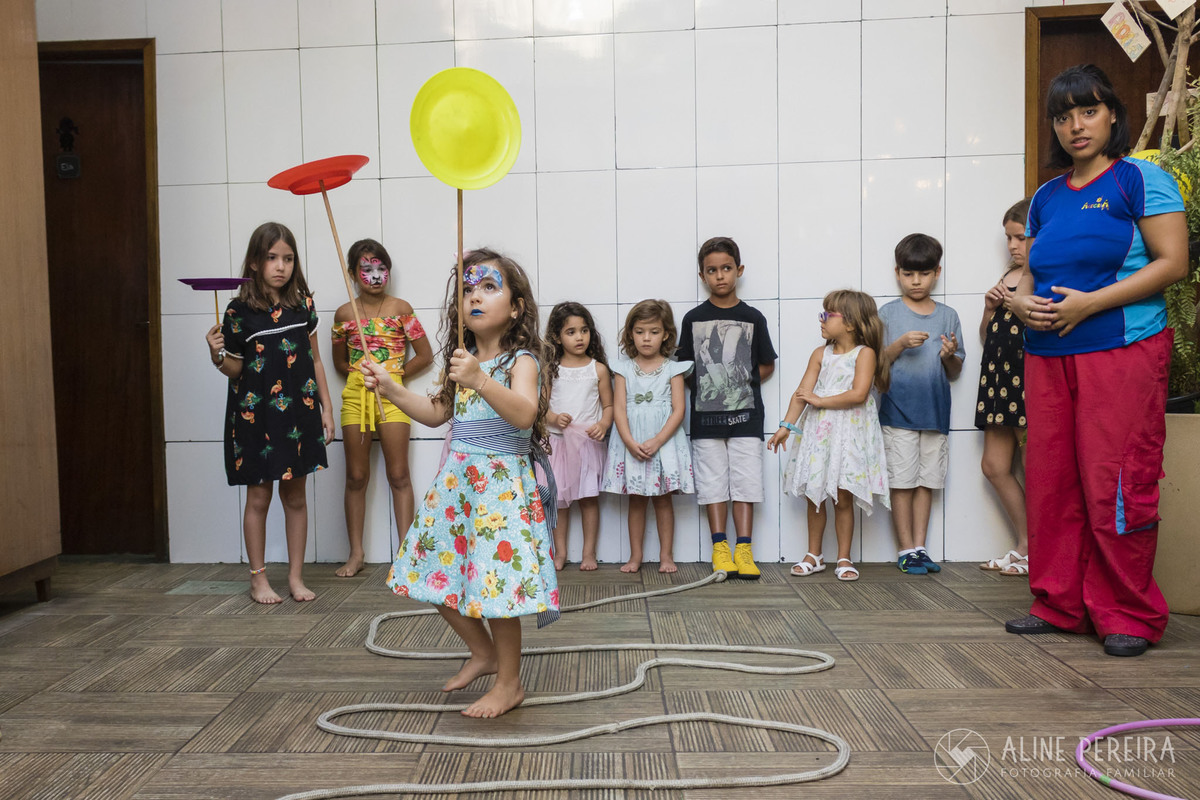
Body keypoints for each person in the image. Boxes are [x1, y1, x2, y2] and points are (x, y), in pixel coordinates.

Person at [1004, 64, 1186, 657]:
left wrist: (1091, 304)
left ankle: (1127, 613)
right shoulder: (1047, 197)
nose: (1075, 126)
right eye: (1063, 116)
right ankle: (1060, 603)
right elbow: (1032, 271)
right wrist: (1020, 301)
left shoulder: (1141, 179)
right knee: (1053, 481)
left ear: (1112, 114)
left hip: (1122, 349)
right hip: (1047, 355)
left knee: (1117, 481)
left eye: (1088, 111)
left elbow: (1173, 263)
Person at [363, 248, 559, 717]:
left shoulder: (521, 361)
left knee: (495, 586)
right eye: (468, 289)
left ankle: (509, 683)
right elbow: (436, 414)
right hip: (458, 487)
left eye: (489, 287)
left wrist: (480, 379)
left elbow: (525, 414)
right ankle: (483, 653)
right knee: (427, 569)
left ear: (516, 308)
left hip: (500, 489)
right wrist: (392, 388)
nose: (475, 296)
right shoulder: (461, 360)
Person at [204, 222, 336, 604]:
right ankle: (258, 579)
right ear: (254, 262)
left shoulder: (303, 304)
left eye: (288, 258)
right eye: (272, 258)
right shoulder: (237, 311)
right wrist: (216, 353)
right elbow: (235, 369)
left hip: (299, 413)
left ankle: (295, 577)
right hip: (255, 416)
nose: (281, 266)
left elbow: (315, 360)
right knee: (259, 498)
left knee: (295, 498)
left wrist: (327, 408)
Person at [768, 290, 891, 582]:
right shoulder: (819, 354)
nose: (821, 319)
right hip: (820, 434)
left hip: (849, 435)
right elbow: (802, 394)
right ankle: (814, 554)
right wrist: (786, 426)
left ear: (850, 323)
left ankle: (844, 556)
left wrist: (820, 400)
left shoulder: (865, 353)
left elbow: (859, 394)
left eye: (828, 314)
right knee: (815, 495)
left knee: (843, 495)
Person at [331, 239, 433, 577]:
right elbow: (340, 362)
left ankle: (405, 554)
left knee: (399, 474)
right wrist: (360, 373)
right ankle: (356, 554)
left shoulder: (402, 308)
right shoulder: (344, 314)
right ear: (352, 274)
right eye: (366, 269)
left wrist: (393, 376)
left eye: (381, 268)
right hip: (355, 396)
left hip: (394, 395)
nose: (375, 276)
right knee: (356, 476)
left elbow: (425, 355)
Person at [676, 237, 777, 578]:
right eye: (712, 270)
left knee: (747, 483)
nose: (720, 276)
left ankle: (744, 550)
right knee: (712, 484)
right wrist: (710, 386)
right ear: (702, 275)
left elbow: (766, 364)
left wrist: (739, 385)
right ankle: (720, 549)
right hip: (705, 421)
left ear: (739, 270)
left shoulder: (752, 317)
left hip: (747, 418)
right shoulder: (693, 318)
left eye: (726, 268)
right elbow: (684, 368)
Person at [879, 233, 965, 575]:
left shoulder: (948, 315)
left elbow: (955, 370)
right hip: (896, 413)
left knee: (927, 482)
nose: (916, 281)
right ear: (897, 273)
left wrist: (948, 355)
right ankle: (905, 549)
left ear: (937, 273)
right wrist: (899, 344)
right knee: (901, 482)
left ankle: (919, 547)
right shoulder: (887, 314)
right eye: (909, 274)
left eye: (924, 273)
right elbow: (875, 367)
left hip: (935, 414)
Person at [601, 300, 694, 573]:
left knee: (663, 500)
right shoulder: (623, 369)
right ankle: (635, 556)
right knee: (637, 500)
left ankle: (666, 556)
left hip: (663, 443)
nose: (646, 338)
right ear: (631, 333)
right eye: (640, 331)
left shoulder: (674, 369)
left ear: (665, 334)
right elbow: (619, 409)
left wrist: (658, 440)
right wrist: (629, 442)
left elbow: (679, 410)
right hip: (632, 442)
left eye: (654, 332)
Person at [976, 199, 1031, 576]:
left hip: (1028, 381)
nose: (1012, 245)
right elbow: (986, 336)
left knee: (1033, 467)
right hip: (997, 381)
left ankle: (1039, 551)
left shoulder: (1043, 275)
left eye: (1020, 237)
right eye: (1008, 237)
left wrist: (1019, 303)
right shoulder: (1007, 276)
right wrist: (988, 308)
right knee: (994, 466)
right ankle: (1026, 544)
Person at [543, 301, 613, 571]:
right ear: (557, 337)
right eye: (570, 332)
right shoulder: (551, 369)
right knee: (559, 502)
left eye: (584, 330)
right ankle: (560, 552)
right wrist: (553, 418)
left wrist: (603, 424)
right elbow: (541, 407)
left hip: (587, 445)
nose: (579, 337)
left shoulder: (598, 369)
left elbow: (609, 405)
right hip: (557, 445)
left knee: (588, 500)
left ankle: (588, 553)